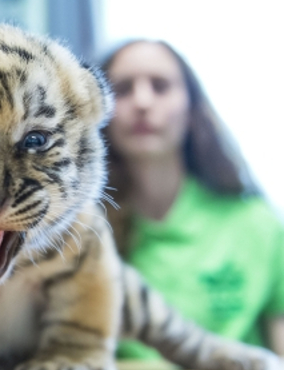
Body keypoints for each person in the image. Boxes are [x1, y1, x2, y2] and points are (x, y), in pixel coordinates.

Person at [100, 40, 284, 359]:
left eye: (160, 86)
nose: (142, 101)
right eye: (123, 88)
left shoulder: (258, 225)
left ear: (191, 109)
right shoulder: (77, 235)